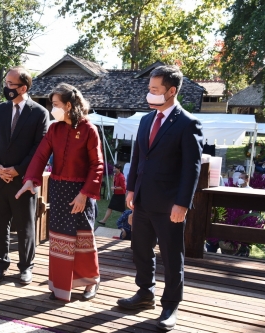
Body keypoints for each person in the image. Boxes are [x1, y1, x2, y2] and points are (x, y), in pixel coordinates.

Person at [117, 65, 203, 332]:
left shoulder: (188, 123)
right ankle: (145, 293)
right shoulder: (145, 120)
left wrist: (183, 204)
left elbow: (192, 168)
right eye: (149, 89)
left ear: (171, 91)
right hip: (142, 200)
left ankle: (170, 305)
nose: (150, 94)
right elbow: (137, 158)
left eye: (155, 90)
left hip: (170, 204)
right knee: (140, 250)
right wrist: (131, 189)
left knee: (171, 256)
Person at [15, 83, 104, 302]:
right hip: (59, 190)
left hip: (80, 193)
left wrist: (84, 194)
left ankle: (90, 283)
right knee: (60, 241)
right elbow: (40, 156)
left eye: (55, 104)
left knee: (83, 241)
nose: (52, 108)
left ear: (69, 105)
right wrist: (30, 180)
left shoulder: (88, 129)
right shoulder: (54, 129)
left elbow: (97, 165)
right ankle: (61, 286)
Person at [0, 66, 50, 285]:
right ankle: (0, 265)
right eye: (6, 83)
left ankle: (26, 267)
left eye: (10, 84)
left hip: (24, 180)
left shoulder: (39, 113)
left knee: (26, 226)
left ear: (23, 87)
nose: (6, 87)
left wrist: (18, 170)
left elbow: (39, 149)